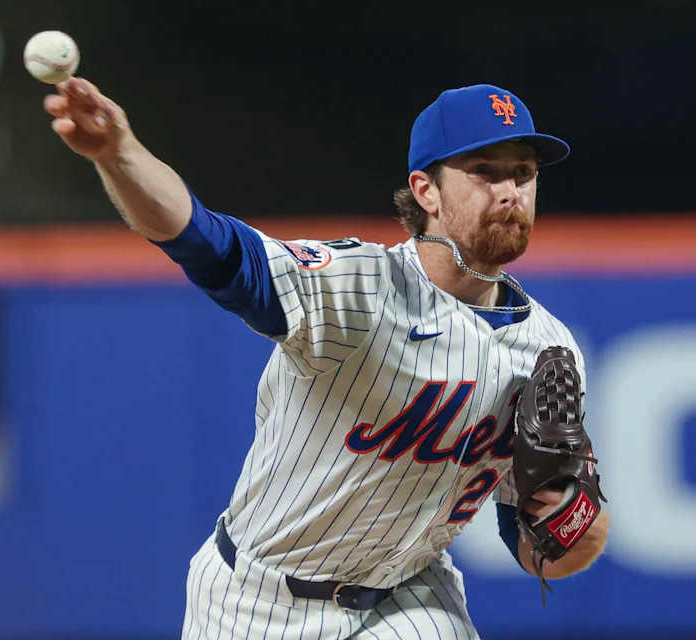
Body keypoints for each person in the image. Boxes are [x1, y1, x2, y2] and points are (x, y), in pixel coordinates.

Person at [43, 78, 610, 639]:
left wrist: (578, 525)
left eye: (523, 173)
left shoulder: (548, 349)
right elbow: (208, 243)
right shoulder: (359, 288)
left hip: (409, 599)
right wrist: (120, 154)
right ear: (426, 191)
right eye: (484, 171)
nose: (509, 190)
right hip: (258, 601)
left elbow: (537, 548)